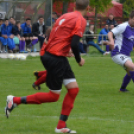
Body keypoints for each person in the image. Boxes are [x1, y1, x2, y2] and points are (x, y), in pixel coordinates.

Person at [5, 0, 89, 133]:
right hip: (55, 58)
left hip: (53, 55)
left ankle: (61, 125)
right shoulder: (80, 20)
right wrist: (79, 59)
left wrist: (64, 50)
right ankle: (14, 101)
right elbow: (74, 43)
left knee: (73, 90)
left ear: (74, 6)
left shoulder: (65, 16)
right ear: (88, 8)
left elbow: (54, 36)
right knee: (53, 96)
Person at [108, 10, 134, 92]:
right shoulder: (123, 26)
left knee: (130, 72)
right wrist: (111, 40)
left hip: (127, 55)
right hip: (117, 53)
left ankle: (122, 89)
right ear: (130, 18)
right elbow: (110, 33)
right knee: (132, 67)